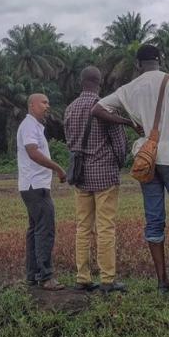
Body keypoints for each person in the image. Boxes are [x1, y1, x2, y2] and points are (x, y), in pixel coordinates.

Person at [93, 44, 169, 297]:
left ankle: (162, 283)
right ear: (161, 60)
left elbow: (98, 109)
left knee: (154, 220)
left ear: (138, 65)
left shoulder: (128, 89)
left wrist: (128, 122)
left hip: (145, 159)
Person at [64, 66, 129, 293]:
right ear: (99, 82)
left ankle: (82, 277)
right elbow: (120, 144)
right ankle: (107, 280)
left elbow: (70, 142)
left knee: (83, 228)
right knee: (105, 228)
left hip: (81, 177)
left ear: (81, 82)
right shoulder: (106, 107)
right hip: (104, 176)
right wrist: (118, 163)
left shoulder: (70, 109)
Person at [17, 93, 66, 291]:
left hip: (32, 186)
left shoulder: (35, 126)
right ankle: (46, 277)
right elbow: (33, 152)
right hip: (35, 186)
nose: (47, 106)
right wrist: (58, 168)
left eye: (48, 102)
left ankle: (32, 275)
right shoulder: (29, 125)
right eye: (43, 102)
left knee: (34, 230)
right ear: (31, 105)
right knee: (45, 230)